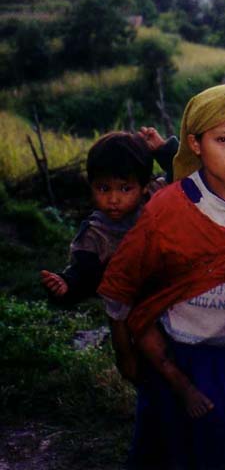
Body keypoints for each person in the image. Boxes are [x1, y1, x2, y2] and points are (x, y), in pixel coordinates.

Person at [98, 84, 225, 469]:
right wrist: (124, 352)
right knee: (204, 447)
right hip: (194, 354)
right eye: (223, 140)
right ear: (195, 144)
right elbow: (122, 281)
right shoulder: (170, 208)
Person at [39, 129, 178, 383]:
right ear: (91, 186)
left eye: (125, 188)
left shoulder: (156, 196)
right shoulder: (96, 233)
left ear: (143, 186)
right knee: (138, 362)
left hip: (169, 295)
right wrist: (67, 285)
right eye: (103, 188)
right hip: (128, 311)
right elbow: (84, 271)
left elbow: (184, 173)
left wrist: (162, 149)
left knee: (177, 358)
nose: (113, 199)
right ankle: (130, 367)